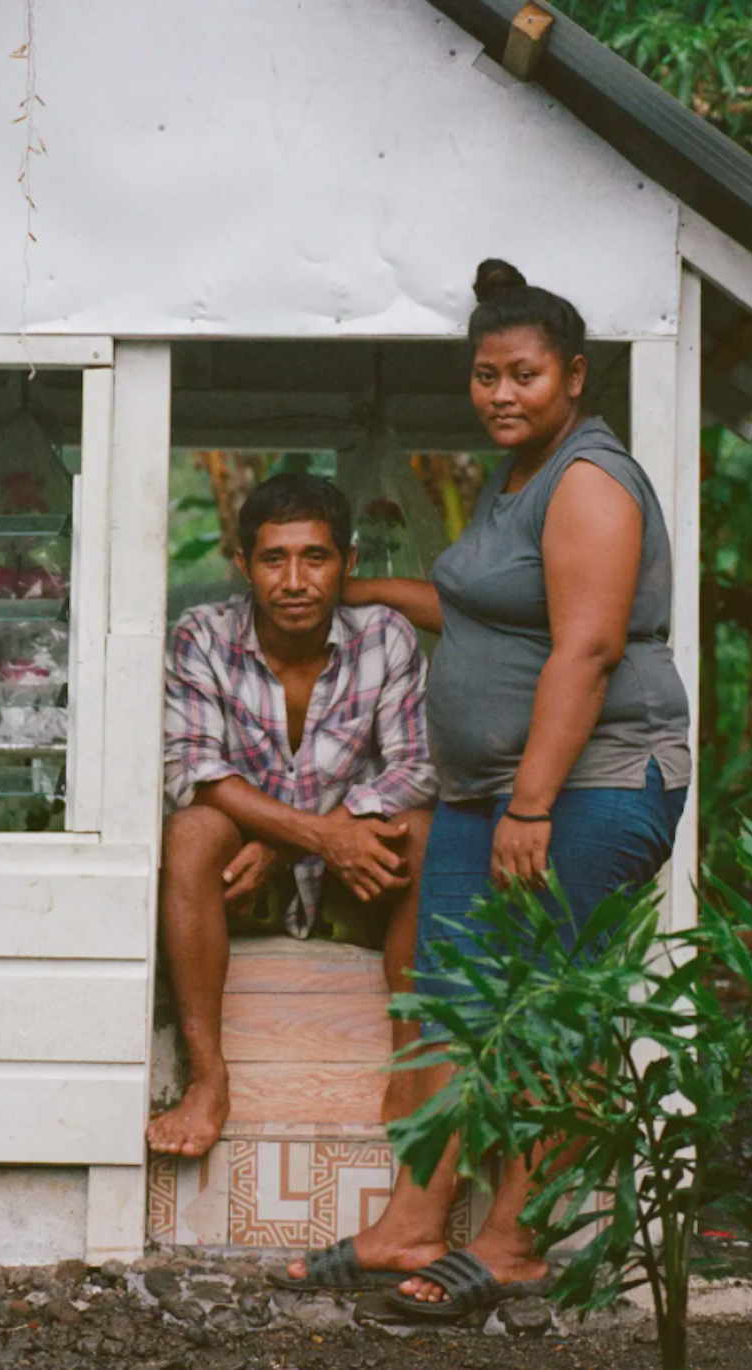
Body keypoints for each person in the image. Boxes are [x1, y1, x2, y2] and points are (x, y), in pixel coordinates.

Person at [275, 259, 691, 1314]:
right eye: (484, 376)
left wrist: (534, 804)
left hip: (584, 783)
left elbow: (586, 648)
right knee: (458, 1009)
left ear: (573, 378)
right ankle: (411, 1222)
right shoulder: (511, 481)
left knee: (549, 1010)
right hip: (483, 792)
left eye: (522, 375)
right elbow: (478, 606)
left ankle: (513, 1240)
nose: (501, 394)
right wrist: (358, 588)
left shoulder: (588, 480)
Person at [150, 472, 439, 1158]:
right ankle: (208, 1079)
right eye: (274, 559)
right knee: (192, 830)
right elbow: (190, 766)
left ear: (349, 564)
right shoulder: (203, 636)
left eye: (316, 557)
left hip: (352, 883)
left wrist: (290, 843)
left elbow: (416, 768)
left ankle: (412, 1064)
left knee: (425, 831)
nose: (295, 580)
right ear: (244, 564)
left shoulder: (385, 638)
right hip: (242, 886)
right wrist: (315, 836)